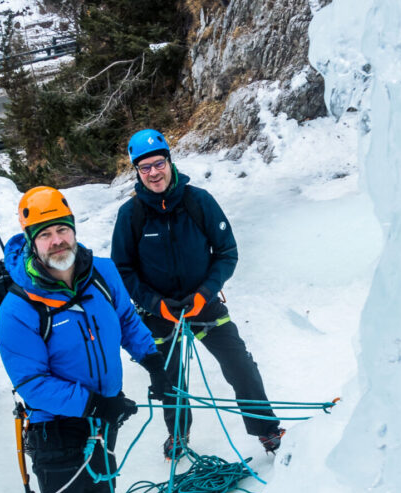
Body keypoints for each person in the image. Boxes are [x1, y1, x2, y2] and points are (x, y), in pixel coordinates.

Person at [111, 129, 285, 459]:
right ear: (137, 171)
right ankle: (178, 433)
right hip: (159, 312)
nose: (153, 172)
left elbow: (226, 253)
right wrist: (155, 304)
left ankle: (266, 428)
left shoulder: (198, 201)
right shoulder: (130, 215)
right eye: (144, 167)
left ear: (169, 162)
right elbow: (123, 271)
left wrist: (206, 293)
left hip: (202, 303)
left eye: (158, 163)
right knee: (169, 378)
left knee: (239, 364)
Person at [0, 186, 172, 493]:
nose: (57, 241)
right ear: (31, 242)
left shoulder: (103, 272)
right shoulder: (17, 309)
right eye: (45, 234)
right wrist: (95, 405)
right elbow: (32, 382)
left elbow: (127, 320)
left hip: (104, 420)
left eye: (63, 229)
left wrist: (153, 363)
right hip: (57, 431)